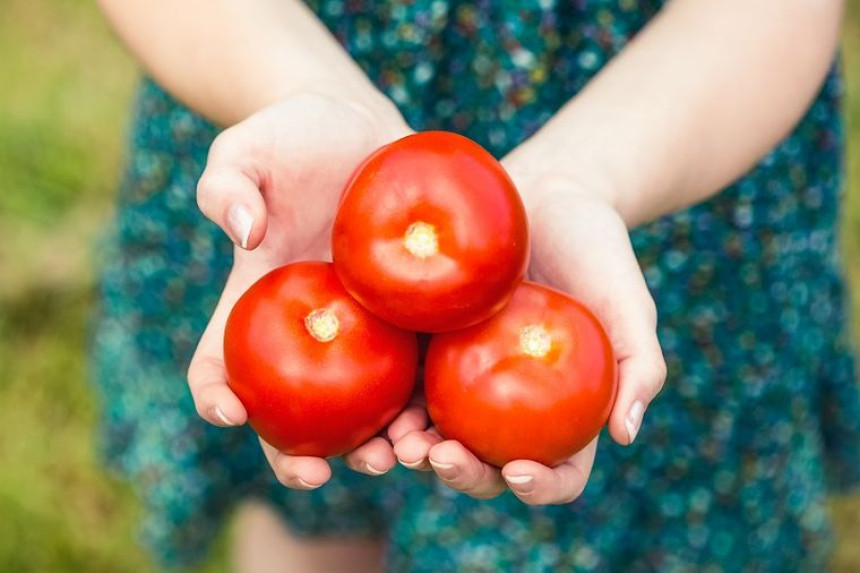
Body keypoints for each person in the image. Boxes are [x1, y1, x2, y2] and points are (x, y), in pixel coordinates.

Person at [92, 0, 860, 570]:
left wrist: (584, 177)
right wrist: (314, 95)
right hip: (274, 99)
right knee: (310, 518)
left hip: (668, 141)